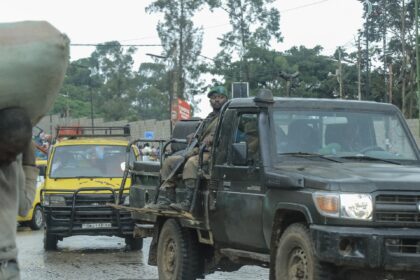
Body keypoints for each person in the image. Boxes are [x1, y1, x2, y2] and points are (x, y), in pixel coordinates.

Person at [147, 86, 229, 211]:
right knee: (170, 162)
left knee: (192, 163)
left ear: (226, 99)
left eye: (220, 97)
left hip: (215, 153)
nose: (217, 100)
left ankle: (188, 202)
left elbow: (228, 134)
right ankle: (167, 199)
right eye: (214, 98)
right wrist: (194, 135)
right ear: (210, 101)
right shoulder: (209, 117)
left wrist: (214, 138)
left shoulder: (228, 116)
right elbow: (201, 134)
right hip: (199, 150)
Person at [0, 107, 38, 280]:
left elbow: (24, 208)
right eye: (8, 152)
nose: (10, 159)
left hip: (9, 267)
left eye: (16, 155)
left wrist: (29, 162)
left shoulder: (11, 168)